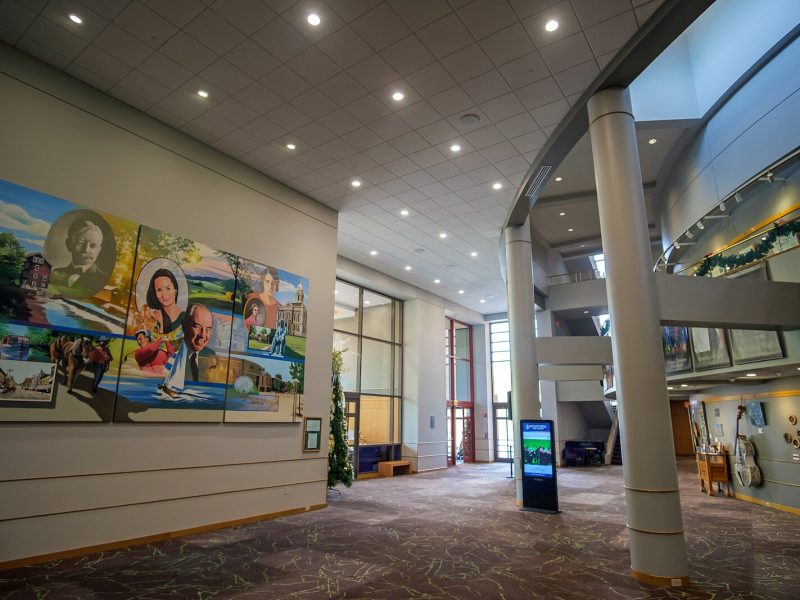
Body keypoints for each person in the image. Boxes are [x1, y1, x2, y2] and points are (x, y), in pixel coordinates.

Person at [160, 304, 215, 398]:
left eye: (208, 329)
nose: (203, 335)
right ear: (184, 325)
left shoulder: (210, 355)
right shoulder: (171, 352)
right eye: (197, 327)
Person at [49, 219, 108, 295]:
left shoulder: (102, 279)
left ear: (99, 250)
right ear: (68, 244)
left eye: (93, 245)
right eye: (80, 243)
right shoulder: (55, 274)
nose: (86, 250)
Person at [145, 268, 184, 335]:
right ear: (154, 293)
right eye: (159, 290)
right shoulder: (152, 317)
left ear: (175, 291)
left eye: (168, 288)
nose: (164, 295)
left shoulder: (185, 318)